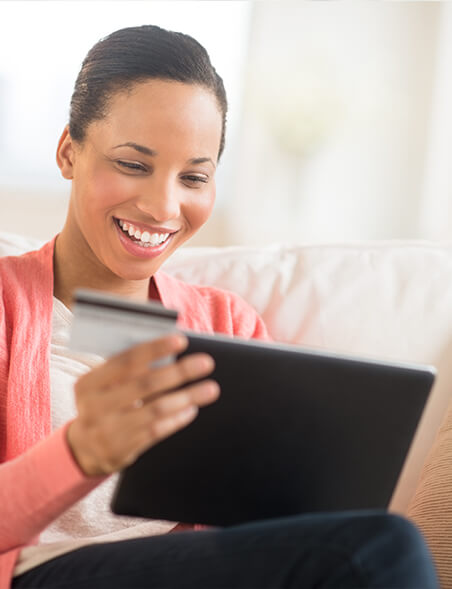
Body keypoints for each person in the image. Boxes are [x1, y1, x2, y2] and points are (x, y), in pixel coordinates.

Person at [0, 24, 438, 589]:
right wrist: (78, 453)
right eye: (133, 164)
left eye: (194, 177)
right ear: (68, 152)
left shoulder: (227, 326)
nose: (162, 205)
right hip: (40, 575)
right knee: (381, 548)